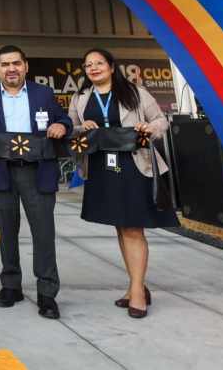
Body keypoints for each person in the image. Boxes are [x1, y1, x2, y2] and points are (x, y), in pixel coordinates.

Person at [68, 47, 177, 319]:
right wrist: (84, 128)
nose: (93, 68)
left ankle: (138, 291)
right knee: (120, 226)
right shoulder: (81, 98)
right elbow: (70, 128)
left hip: (134, 165)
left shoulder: (134, 92)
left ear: (111, 66)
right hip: (102, 168)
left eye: (99, 63)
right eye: (88, 64)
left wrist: (150, 129)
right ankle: (135, 285)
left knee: (133, 229)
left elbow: (160, 121)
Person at [0, 44, 70, 320]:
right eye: (4, 64)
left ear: (25, 66)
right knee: (6, 231)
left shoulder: (44, 93)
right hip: (1, 173)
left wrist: (62, 126)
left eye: (16, 63)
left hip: (37, 172)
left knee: (43, 234)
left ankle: (47, 294)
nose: (11, 69)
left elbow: (64, 120)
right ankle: (10, 286)